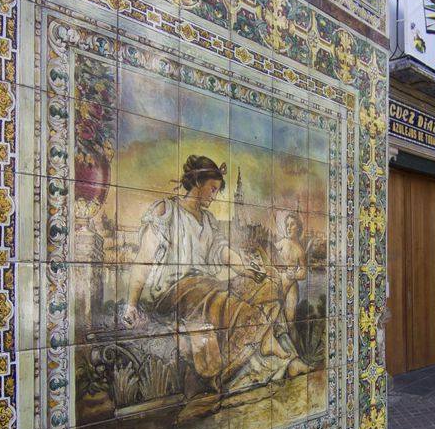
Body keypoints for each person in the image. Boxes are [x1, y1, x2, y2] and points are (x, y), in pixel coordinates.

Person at [123, 154, 311, 414]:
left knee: (265, 285)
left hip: (204, 285)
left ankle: (277, 350)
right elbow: (143, 259)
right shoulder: (166, 211)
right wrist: (131, 304)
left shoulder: (209, 220)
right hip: (174, 291)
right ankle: (243, 367)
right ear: (197, 182)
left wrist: (246, 268)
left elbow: (223, 253)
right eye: (212, 189)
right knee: (219, 298)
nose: (214, 196)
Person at [275, 212, 307, 323]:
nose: (288, 228)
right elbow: (271, 250)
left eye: (292, 225)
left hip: (292, 284)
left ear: (298, 228)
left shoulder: (300, 251)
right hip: (280, 280)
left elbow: (303, 272)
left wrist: (294, 275)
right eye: (287, 225)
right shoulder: (283, 242)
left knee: (290, 319)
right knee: (276, 311)